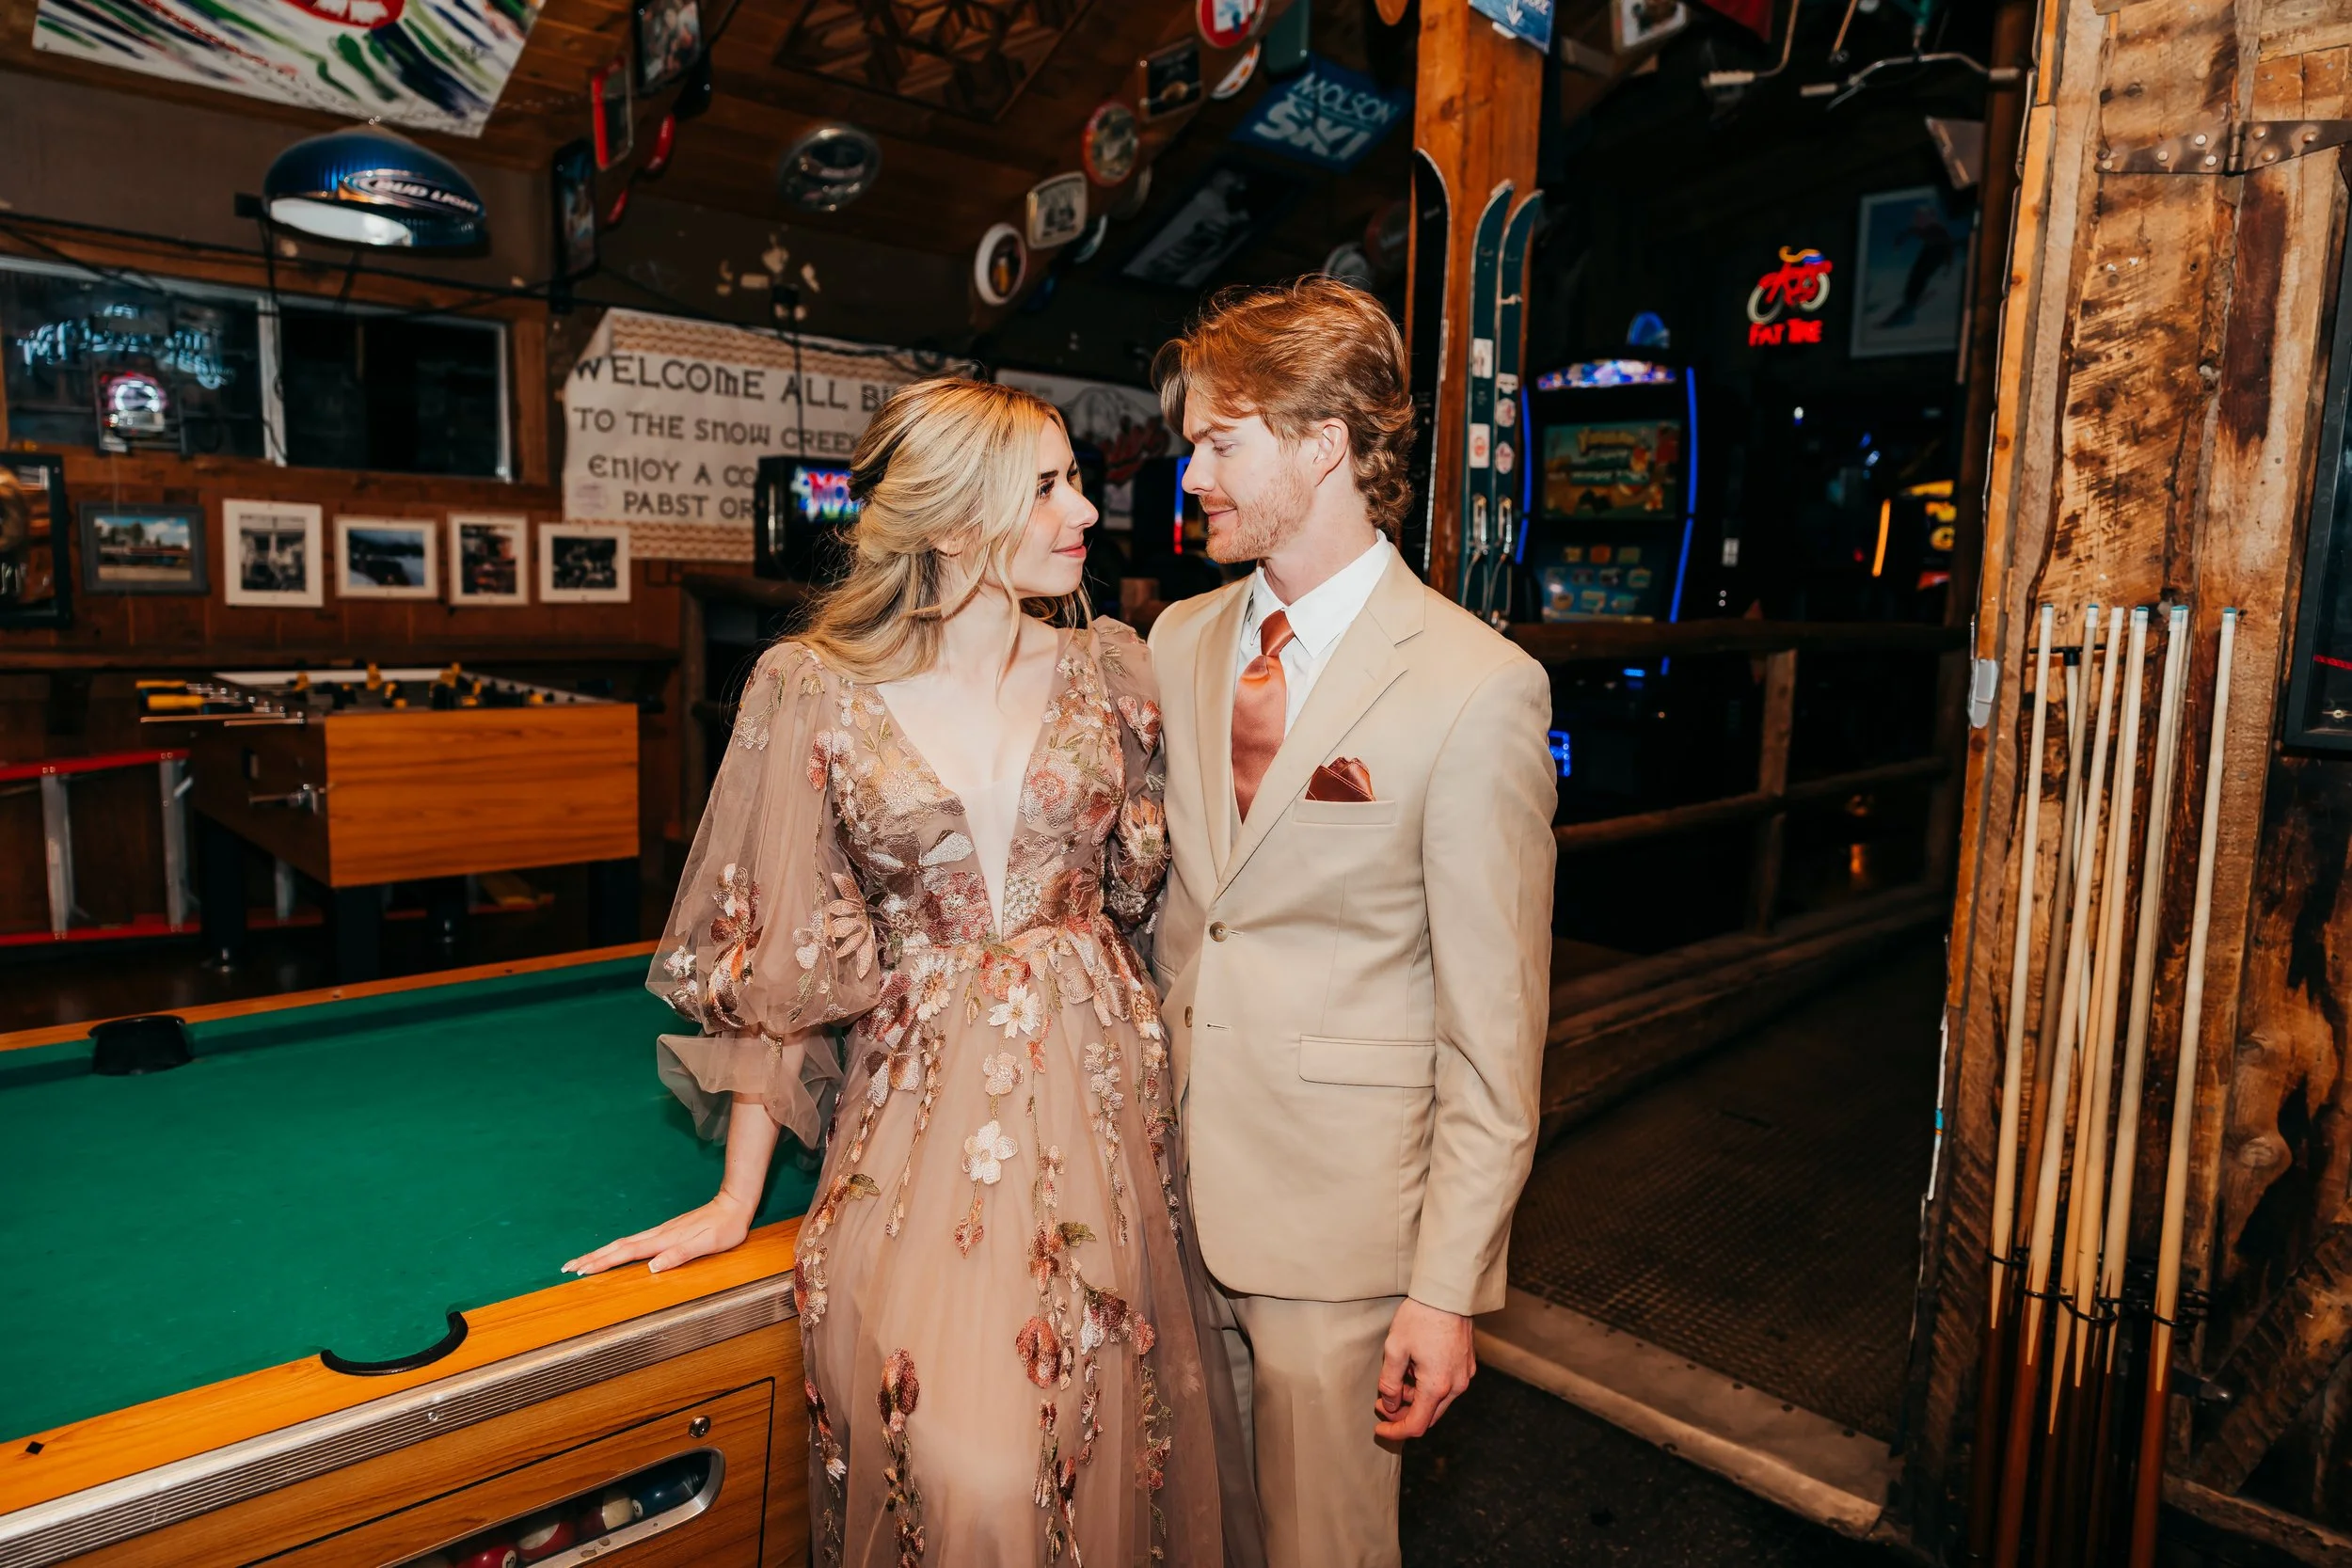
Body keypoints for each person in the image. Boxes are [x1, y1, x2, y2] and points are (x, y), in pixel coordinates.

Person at [566, 378, 1259, 1567]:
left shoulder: (1117, 669)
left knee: (1099, 1443)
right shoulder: (812, 690)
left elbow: (1158, 906)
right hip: (920, 1119)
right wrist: (739, 1198)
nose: (1085, 511)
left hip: (1106, 1115)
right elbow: (780, 965)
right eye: (1045, 486)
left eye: (1075, 482)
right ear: (949, 519)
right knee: (965, 1462)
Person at [1147, 278, 1558, 1568]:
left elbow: (1496, 1027)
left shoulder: (1478, 685)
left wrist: (1446, 1285)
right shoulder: (1174, 638)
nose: (1192, 472)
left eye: (1221, 441)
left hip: (1337, 1230)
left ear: (1322, 443)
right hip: (1165, 1184)